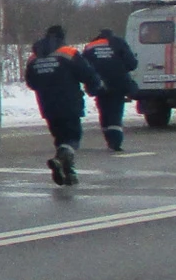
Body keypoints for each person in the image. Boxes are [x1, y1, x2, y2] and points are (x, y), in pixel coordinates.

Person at [23, 24, 103, 188]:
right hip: (69, 102)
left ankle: (69, 172)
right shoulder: (68, 53)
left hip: (47, 104)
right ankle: (60, 159)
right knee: (72, 137)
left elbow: (31, 82)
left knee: (60, 137)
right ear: (61, 37)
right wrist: (96, 87)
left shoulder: (33, 58)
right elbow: (87, 73)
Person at [81, 27, 139, 151]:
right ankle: (115, 141)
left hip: (99, 83)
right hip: (118, 82)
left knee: (104, 110)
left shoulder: (90, 46)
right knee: (116, 111)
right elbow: (132, 63)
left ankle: (109, 136)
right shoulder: (118, 42)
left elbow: (84, 67)